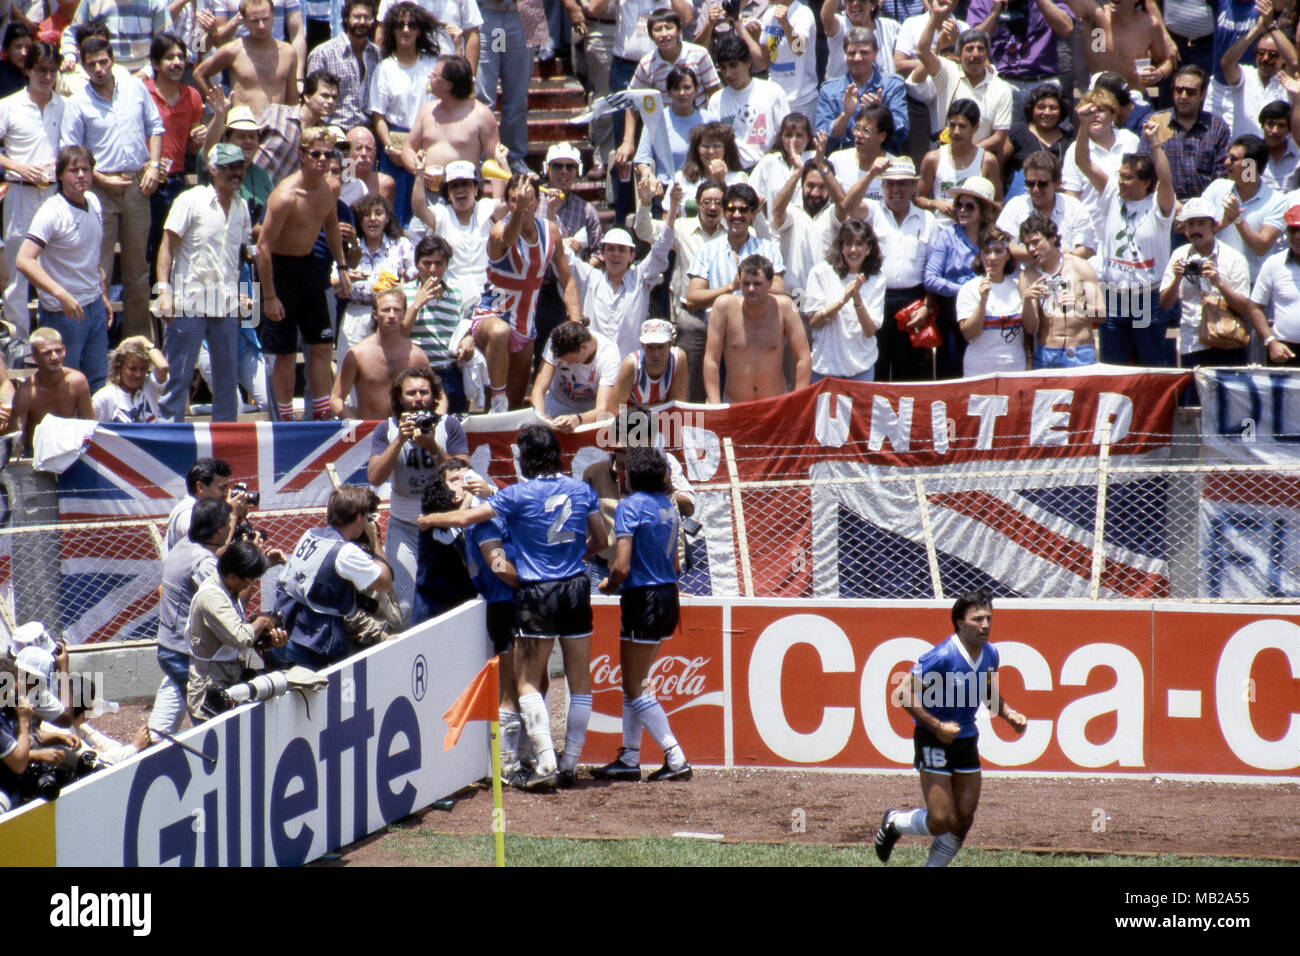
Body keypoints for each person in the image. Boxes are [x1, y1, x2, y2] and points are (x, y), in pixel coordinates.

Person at [418, 424, 606, 791]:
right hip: (565, 589)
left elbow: (485, 529)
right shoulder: (578, 490)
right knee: (557, 683)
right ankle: (553, 763)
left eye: (466, 476)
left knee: (529, 684)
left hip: (534, 593)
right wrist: (567, 558)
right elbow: (599, 540)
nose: (467, 481)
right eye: (457, 480)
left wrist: (425, 519)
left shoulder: (511, 500)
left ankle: (537, 761)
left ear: (525, 459)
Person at [873, 589, 1028, 866]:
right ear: (959, 622)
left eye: (988, 618)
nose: (985, 625)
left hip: (966, 739)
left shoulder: (990, 654)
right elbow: (903, 693)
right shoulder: (943, 655)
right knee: (942, 819)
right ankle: (894, 821)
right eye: (977, 619)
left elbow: (987, 693)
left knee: (964, 818)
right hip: (934, 739)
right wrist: (936, 726)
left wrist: (1008, 713)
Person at [593, 445, 691, 782]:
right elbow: (676, 563)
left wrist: (609, 585)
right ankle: (630, 758)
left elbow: (621, 565)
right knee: (635, 683)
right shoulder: (669, 506)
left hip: (643, 598)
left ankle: (675, 756)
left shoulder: (630, 507)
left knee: (636, 687)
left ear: (630, 476)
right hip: (666, 597)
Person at [58, 33, 164, 343]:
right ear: (84, 67)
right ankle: (95, 340)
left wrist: (154, 166)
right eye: (92, 65)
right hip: (98, 189)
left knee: (137, 271)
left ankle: (137, 341)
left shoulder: (135, 88)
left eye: (103, 62)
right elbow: (70, 152)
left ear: (112, 60)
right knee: (97, 269)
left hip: (135, 184)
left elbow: (156, 127)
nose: (99, 69)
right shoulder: (78, 102)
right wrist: (100, 179)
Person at [258, 125, 353, 421]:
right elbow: (262, 248)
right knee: (285, 351)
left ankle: (322, 409)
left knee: (322, 343)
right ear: (302, 155)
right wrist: (270, 296)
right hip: (281, 268)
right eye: (316, 154)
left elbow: (332, 226)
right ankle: (285, 415)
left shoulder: (330, 188)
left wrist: (343, 265)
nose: (323, 160)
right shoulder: (285, 196)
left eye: (328, 154)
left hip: (310, 266)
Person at [154, 142, 252, 423]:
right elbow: (167, 246)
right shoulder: (190, 200)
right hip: (188, 301)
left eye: (239, 166)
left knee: (227, 382)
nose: (235, 173)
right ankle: (168, 438)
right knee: (178, 378)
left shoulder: (242, 207)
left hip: (226, 304)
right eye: (228, 167)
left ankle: (224, 445)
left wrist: (246, 298)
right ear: (212, 170)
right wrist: (163, 292)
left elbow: (241, 258)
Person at [471, 174, 582, 413]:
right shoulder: (499, 231)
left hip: (525, 322)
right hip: (495, 310)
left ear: (537, 200)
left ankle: (506, 425)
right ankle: (497, 399)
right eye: (514, 200)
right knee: (500, 332)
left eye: (528, 198)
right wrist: (518, 210)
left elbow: (568, 280)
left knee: (517, 405)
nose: (522, 204)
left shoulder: (551, 232)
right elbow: (510, 239)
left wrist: (576, 321)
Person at [367, 366, 469, 623]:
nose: (418, 398)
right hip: (404, 525)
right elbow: (374, 477)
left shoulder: (449, 425)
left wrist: (434, 447)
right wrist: (399, 440)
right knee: (405, 605)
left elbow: (462, 475)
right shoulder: (386, 429)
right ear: (399, 398)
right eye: (411, 393)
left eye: (424, 392)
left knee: (451, 599)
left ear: (434, 396)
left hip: (443, 525)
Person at [1075, 112, 1177, 366]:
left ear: (1145, 183)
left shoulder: (1159, 205)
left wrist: (1156, 144)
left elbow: (1165, 179)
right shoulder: (1112, 194)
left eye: (1127, 177)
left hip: (1147, 297)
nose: (1120, 181)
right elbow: (1083, 162)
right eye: (1120, 175)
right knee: (1113, 371)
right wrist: (1084, 126)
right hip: (1113, 295)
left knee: (1152, 371)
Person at [17, 146, 112, 393]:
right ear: (60, 175)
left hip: (94, 307)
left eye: (86, 170)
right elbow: (24, 260)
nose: (81, 175)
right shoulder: (52, 211)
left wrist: (102, 295)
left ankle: (93, 433)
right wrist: (61, 294)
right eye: (74, 170)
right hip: (63, 314)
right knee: (65, 387)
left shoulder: (94, 201)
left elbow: (92, 257)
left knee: (98, 383)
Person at [273, 484, 394, 668]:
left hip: (285, 631)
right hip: (310, 644)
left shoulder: (311, 534)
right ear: (359, 517)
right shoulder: (345, 552)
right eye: (366, 516)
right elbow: (385, 582)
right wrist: (374, 539)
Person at [633, 176, 725, 402]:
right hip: (692, 319)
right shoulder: (682, 227)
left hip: (728, 318)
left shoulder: (736, 231)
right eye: (707, 202)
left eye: (718, 202)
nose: (712, 207)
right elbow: (645, 232)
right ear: (697, 203)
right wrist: (645, 204)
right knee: (690, 389)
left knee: (726, 386)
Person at [149, 498, 230, 744]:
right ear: (218, 530)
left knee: (172, 698)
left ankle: (150, 745)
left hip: (169, 647)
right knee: (209, 714)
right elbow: (226, 608)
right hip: (185, 653)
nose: (230, 528)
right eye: (228, 524)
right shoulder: (203, 562)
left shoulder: (183, 546)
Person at [0, 42, 62, 358]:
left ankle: (56, 341)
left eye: (52, 71)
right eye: (41, 70)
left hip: (54, 194)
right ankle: (19, 341)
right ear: (27, 70)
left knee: (55, 266)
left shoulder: (66, 106)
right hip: (19, 191)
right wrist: (18, 166)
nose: (47, 76)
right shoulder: (8, 106)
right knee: (16, 270)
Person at [187, 541, 289, 720]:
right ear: (233, 575)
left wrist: (269, 641)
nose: (248, 586)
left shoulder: (228, 588)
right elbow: (240, 637)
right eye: (248, 580)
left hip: (231, 677)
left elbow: (240, 640)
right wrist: (263, 621)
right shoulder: (211, 596)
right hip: (211, 685)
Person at [908, 2, 1013, 164]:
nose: (975, 54)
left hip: (980, 159)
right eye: (969, 49)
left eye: (980, 49)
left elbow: (999, 137)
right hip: (944, 158)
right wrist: (935, 16)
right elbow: (922, 51)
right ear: (959, 54)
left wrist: (968, 152)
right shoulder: (948, 71)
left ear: (987, 53)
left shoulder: (1001, 88)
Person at [567, 203, 676, 357]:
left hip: (630, 367)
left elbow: (662, 248)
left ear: (631, 256)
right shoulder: (590, 278)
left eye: (621, 249)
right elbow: (566, 258)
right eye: (610, 249)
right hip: (595, 366)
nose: (615, 254)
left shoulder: (640, 278)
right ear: (602, 254)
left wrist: (674, 205)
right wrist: (559, 229)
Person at [863, 156, 938, 381]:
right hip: (877, 300)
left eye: (902, 183)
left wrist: (928, 306)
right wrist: (870, 174)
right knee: (877, 369)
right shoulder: (872, 213)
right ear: (882, 186)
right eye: (890, 183)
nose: (896, 189)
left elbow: (934, 271)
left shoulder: (928, 220)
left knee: (911, 374)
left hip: (914, 302)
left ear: (914, 186)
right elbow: (845, 207)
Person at [368, 1, 442, 226]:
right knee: (395, 208)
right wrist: (389, 147)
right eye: (400, 25)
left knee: (426, 205)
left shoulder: (433, 65)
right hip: (396, 143)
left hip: (427, 140)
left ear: (419, 30)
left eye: (411, 25)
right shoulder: (384, 69)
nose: (406, 29)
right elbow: (378, 116)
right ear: (392, 30)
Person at [1159, 196, 1252, 372]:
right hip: (1193, 343)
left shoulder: (1234, 258)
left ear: (1213, 225)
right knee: (1195, 399)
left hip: (1228, 340)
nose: (1196, 229)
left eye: (1201, 223)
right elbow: (1164, 304)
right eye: (1190, 224)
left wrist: (1219, 283)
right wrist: (1178, 278)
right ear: (1184, 229)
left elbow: (1245, 309)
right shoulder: (1179, 255)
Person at [704, 254, 811, 403]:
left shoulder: (785, 307)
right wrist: (715, 405)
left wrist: (799, 401)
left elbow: (804, 357)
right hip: (735, 404)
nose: (751, 289)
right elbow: (711, 360)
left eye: (757, 283)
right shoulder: (723, 306)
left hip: (775, 405)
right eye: (746, 283)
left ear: (770, 283)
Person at [532, 141, 603, 364]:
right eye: (558, 166)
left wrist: (579, 272)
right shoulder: (533, 202)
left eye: (569, 167)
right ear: (547, 169)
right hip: (536, 285)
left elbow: (598, 252)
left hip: (567, 288)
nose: (564, 172)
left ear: (577, 171)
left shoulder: (586, 210)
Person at [924, 175, 1000, 377]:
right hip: (952, 313)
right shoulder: (947, 236)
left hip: (987, 311)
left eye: (970, 206)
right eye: (959, 205)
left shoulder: (994, 238)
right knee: (951, 373)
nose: (962, 211)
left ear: (983, 210)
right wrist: (965, 290)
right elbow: (930, 278)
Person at [143, 34, 203, 285]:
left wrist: (198, 141)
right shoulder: (142, 92)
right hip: (147, 182)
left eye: (181, 57)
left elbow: (189, 149)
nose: (177, 63)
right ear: (156, 64)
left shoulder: (193, 96)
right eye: (170, 58)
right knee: (148, 250)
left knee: (176, 249)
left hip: (177, 181)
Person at [401, 53, 501, 200]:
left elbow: (496, 162)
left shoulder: (481, 115)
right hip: (429, 196)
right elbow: (408, 148)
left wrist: (498, 205)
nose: (430, 78)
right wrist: (417, 169)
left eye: (434, 76)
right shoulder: (427, 111)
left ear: (448, 85)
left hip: (465, 197)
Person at [684, 182, 786, 317]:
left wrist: (747, 285)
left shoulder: (768, 249)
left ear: (752, 214)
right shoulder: (707, 250)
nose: (736, 215)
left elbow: (779, 290)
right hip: (718, 328)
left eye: (743, 210)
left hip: (759, 327)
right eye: (731, 209)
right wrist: (731, 287)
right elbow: (692, 299)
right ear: (724, 213)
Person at [803, 217, 885, 382]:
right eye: (847, 244)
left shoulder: (878, 279)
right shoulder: (819, 273)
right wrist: (842, 301)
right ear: (841, 247)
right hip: (825, 368)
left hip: (861, 368)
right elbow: (814, 322)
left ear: (869, 248)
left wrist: (856, 299)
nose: (853, 250)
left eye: (859, 244)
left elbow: (869, 331)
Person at [1017, 212, 1103, 368]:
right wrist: (1028, 301)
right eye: (1027, 244)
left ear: (1052, 238)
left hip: (1079, 351)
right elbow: (1030, 328)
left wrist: (1079, 305)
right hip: (1047, 352)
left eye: (1036, 242)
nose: (1031, 249)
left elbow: (1101, 313)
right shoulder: (1027, 276)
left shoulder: (1079, 267)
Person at [963, 0, 1073, 120]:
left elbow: (1066, 28)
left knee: (1053, 135)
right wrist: (994, 14)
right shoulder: (984, 2)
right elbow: (973, 40)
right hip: (1004, 81)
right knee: (1003, 134)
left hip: (1043, 81)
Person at [332, 289, 433, 418]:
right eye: (386, 310)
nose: (391, 315)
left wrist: (436, 422)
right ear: (375, 314)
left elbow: (439, 396)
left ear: (404, 314)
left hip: (407, 429)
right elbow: (336, 398)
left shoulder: (416, 355)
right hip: (370, 431)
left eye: (396, 310)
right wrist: (356, 426)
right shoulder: (358, 354)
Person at [401, 235, 475, 413]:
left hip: (449, 374)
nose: (433, 269)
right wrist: (417, 304)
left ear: (446, 265)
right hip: (416, 376)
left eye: (439, 263)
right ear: (417, 263)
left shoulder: (455, 295)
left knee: (452, 430)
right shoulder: (403, 293)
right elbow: (399, 335)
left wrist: (468, 339)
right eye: (427, 263)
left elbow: (459, 331)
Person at [410, 156, 504, 294]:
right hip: (451, 296)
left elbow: (510, 202)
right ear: (447, 193)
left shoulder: (486, 208)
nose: (460, 190)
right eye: (454, 186)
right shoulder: (441, 214)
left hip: (489, 293)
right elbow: (419, 209)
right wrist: (419, 172)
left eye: (466, 184)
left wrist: (503, 163)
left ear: (476, 189)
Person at [337, 193, 415, 358]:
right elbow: (331, 283)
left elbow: (415, 278)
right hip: (356, 313)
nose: (372, 219)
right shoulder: (348, 247)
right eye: (366, 215)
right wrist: (347, 278)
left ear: (387, 218)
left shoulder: (401, 245)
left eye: (378, 213)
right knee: (351, 366)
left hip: (390, 315)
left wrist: (402, 288)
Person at [1203, 133, 1288, 282]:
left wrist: (1237, 219)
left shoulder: (1277, 201)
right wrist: (1223, 224)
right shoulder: (1217, 187)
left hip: (1252, 284)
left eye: (1233, 159)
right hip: (1215, 280)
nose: (1226, 162)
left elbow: (1261, 247)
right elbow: (1196, 231)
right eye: (1228, 157)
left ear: (1250, 166)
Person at [194, 0, 300, 117]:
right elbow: (199, 73)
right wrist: (220, 107)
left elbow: (292, 101)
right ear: (244, 21)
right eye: (255, 21)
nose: (261, 26)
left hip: (275, 126)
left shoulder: (288, 52)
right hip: (243, 126)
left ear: (273, 16)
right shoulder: (234, 50)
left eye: (265, 19)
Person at [1059, 88, 1139, 237]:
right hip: (1092, 235)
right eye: (1089, 112)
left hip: (1129, 228)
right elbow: (1071, 197)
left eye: (1101, 110)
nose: (1094, 116)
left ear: (1113, 115)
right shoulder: (1074, 150)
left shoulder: (1131, 140)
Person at [1145, 64, 1232, 201]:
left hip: (1205, 208)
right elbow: (1144, 168)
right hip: (1164, 205)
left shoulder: (1217, 127)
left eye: (1190, 92)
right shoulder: (1156, 122)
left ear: (1202, 94)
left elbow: (1223, 174)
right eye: (1178, 90)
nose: (1183, 96)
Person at [816, 27, 908, 156]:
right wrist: (845, 115)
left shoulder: (893, 86)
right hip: (843, 163)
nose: (857, 58)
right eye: (851, 53)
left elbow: (902, 132)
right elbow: (822, 140)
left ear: (876, 53)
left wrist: (880, 113)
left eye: (864, 52)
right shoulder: (829, 91)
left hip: (883, 161)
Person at [708, 33, 792, 171]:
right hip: (732, 171)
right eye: (723, 68)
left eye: (733, 65)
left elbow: (785, 133)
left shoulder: (772, 91)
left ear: (748, 62)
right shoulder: (716, 101)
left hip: (769, 167)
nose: (728, 74)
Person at [996, 149, 1096, 262]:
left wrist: (1063, 258)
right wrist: (1046, 254)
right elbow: (1003, 245)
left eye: (1042, 184)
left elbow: (1088, 247)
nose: (1035, 189)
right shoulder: (1015, 206)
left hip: (1066, 272)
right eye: (1030, 184)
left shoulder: (1073, 207)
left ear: (1057, 183)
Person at [4, 328, 92, 454]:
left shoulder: (77, 381)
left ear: (64, 350)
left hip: (70, 450)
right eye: (47, 353)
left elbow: (90, 426)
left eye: (58, 351)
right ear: (33, 357)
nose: (54, 357)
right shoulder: (26, 393)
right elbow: (14, 441)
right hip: (35, 454)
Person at [1061, 0, 1176, 96]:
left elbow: (1166, 61)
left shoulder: (1149, 25)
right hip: (1100, 100)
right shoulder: (1095, 17)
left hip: (1134, 98)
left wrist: (1158, 74)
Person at [916, 98, 1001, 224]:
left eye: (962, 126)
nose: (956, 132)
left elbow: (998, 202)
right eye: (952, 125)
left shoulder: (987, 161)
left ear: (975, 128)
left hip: (972, 232)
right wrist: (934, 203)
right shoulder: (933, 158)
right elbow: (917, 198)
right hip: (940, 228)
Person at [632, 65, 718, 188]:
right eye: (676, 88)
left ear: (696, 90)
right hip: (666, 187)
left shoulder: (710, 120)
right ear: (669, 92)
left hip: (703, 188)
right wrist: (649, 175)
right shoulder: (656, 120)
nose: (682, 93)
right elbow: (642, 159)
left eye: (687, 87)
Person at [957, 225, 1025, 374]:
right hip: (979, 370)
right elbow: (969, 334)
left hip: (1015, 368)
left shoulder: (1018, 287)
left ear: (1007, 255)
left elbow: (1027, 333)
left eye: (998, 251)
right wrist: (982, 302)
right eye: (987, 252)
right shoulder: (969, 289)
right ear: (980, 256)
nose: (992, 258)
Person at [531, 320, 621, 431]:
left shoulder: (609, 356)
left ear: (583, 347)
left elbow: (603, 409)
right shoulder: (555, 342)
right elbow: (539, 389)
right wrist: (542, 419)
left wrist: (577, 419)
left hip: (589, 414)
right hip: (557, 402)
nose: (568, 364)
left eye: (572, 360)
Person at [305, 0, 381, 130]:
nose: (362, 22)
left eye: (367, 17)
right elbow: (312, 101)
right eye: (357, 17)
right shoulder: (323, 53)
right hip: (334, 130)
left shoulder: (376, 54)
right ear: (346, 18)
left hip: (367, 133)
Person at [254, 69, 340, 183]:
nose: (330, 101)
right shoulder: (276, 113)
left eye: (334, 97)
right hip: (252, 187)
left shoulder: (324, 137)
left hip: (282, 197)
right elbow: (245, 138)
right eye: (325, 96)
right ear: (307, 97)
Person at [1241, 204, 1300, 367]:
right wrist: (1271, 341)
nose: (1297, 236)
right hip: (1284, 352)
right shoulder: (1274, 263)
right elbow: (1254, 307)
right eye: (1293, 230)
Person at [57, 0, 174, 73]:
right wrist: (69, 57)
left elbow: (166, 45)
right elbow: (72, 34)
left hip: (144, 80)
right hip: (102, 78)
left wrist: (147, 73)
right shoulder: (93, 1)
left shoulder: (155, 3)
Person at [165, 457, 245, 548]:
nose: (226, 493)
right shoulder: (187, 513)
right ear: (201, 487)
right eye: (222, 488)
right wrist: (232, 515)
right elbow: (214, 551)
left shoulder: (204, 511)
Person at [1005, 83, 1070, 195]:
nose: (1047, 112)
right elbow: (999, 166)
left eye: (1053, 108)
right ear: (1032, 108)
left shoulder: (1069, 139)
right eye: (1041, 107)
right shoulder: (1017, 132)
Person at [611, 318, 688, 406]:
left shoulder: (678, 359)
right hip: (632, 419)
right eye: (650, 347)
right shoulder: (632, 364)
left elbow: (676, 405)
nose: (655, 354)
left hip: (664, 417)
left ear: (670, 344)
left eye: (660, 347)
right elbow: (613, 409)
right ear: (642, 346)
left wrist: (646, 410)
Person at [91, 335, 169, 422]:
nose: (138, 375)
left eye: (143, 369)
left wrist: (144, 341)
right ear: (119, 367)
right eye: (132, 369)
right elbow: (91, 430)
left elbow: (163, 367)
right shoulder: (104, 398)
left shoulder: (150, 387)